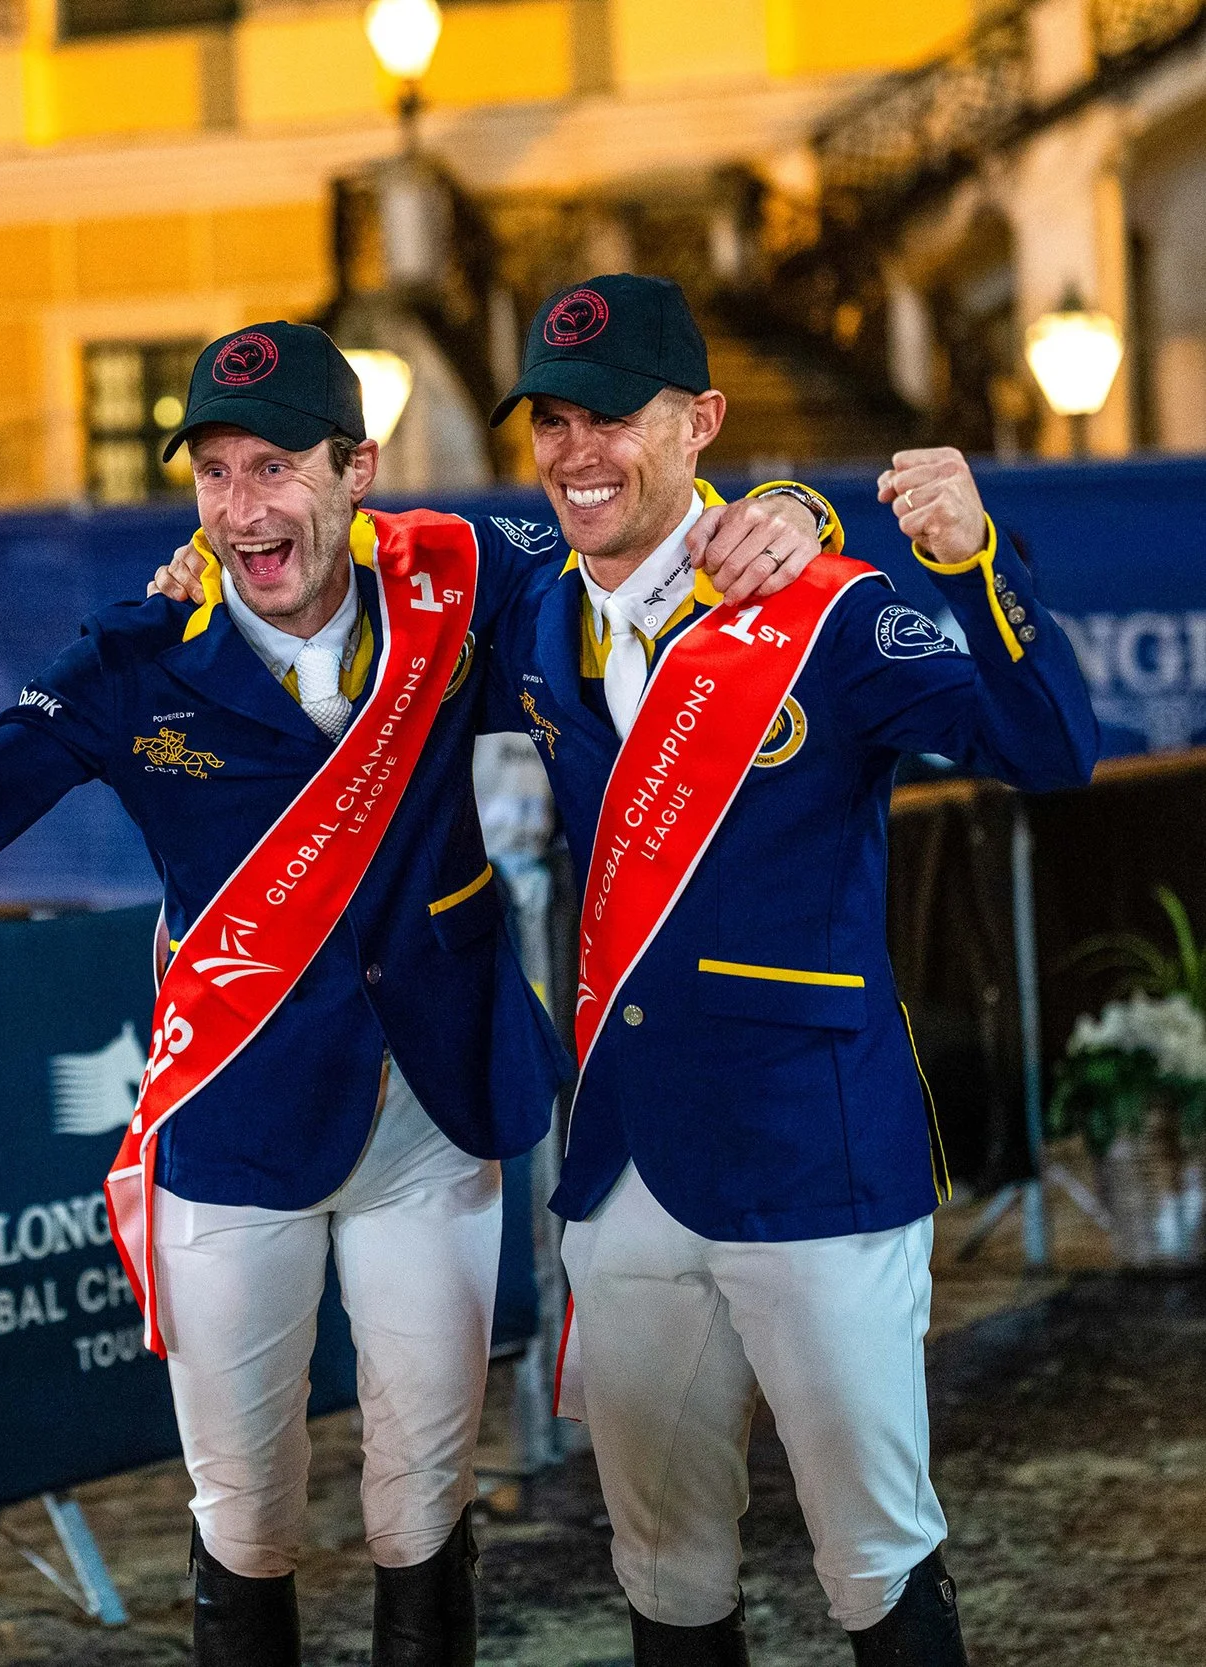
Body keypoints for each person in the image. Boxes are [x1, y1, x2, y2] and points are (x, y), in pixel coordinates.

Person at [0, 320, 827, 1666]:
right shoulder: (133, 662)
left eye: (278, 466)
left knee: (421, 1497)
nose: (245, 509)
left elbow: (630, 552)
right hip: (236, 1130)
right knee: (246, 1516)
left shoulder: (458, 588)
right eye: (216, 475)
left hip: (433, 1117)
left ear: (358, 468)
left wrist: (782, 507)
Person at [479, 275, 1094, 1666]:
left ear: (699, 420)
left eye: (613, 419)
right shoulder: (529, 605)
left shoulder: (830, 611)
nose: (577, 454)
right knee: (663, 1572)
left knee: (875, 1559)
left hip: (813, 1156)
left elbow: (1049, 744)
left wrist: (971, 550)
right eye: (552, 423)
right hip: (625, 1167)